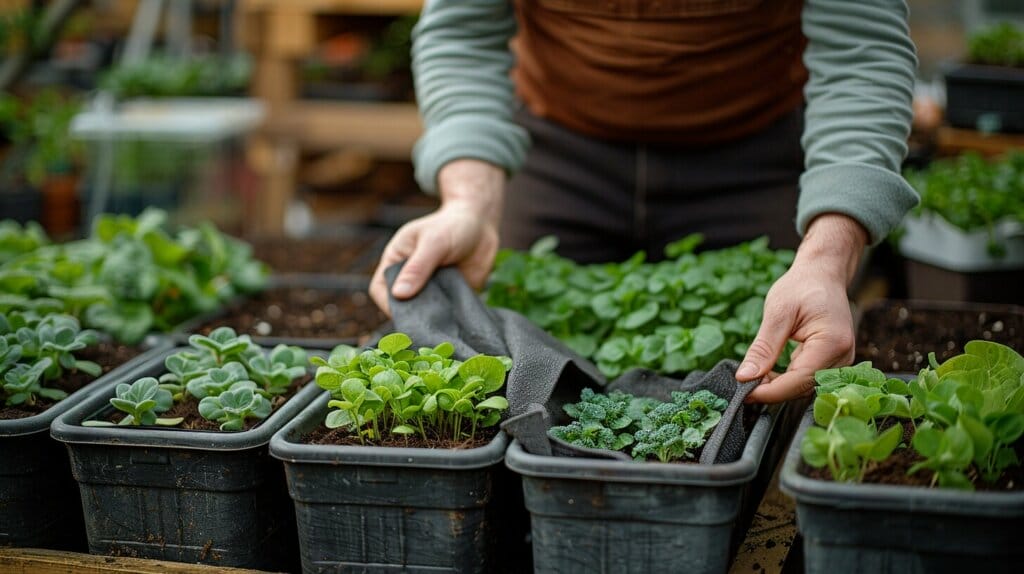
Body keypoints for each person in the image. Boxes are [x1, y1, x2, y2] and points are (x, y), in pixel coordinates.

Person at [370, 0, 919, 404]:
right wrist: (468, 203)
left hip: (754, 151)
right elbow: (464, 31)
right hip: (557, 147)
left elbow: (862, 49)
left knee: (764, 387)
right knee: (528, 380)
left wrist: (826, 258)